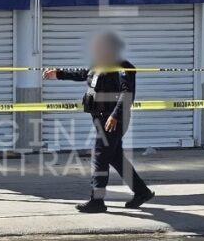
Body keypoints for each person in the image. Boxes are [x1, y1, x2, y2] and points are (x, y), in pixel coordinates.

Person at [43, 31, 155, 213]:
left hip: (113, 120)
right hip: (100, 118)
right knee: (115, 158)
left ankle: (97, 200)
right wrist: (58, 73)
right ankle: (142, 192)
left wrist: (115, 116)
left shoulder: (123, 67)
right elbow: (83, 74)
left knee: (100, 156)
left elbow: (127, 94)